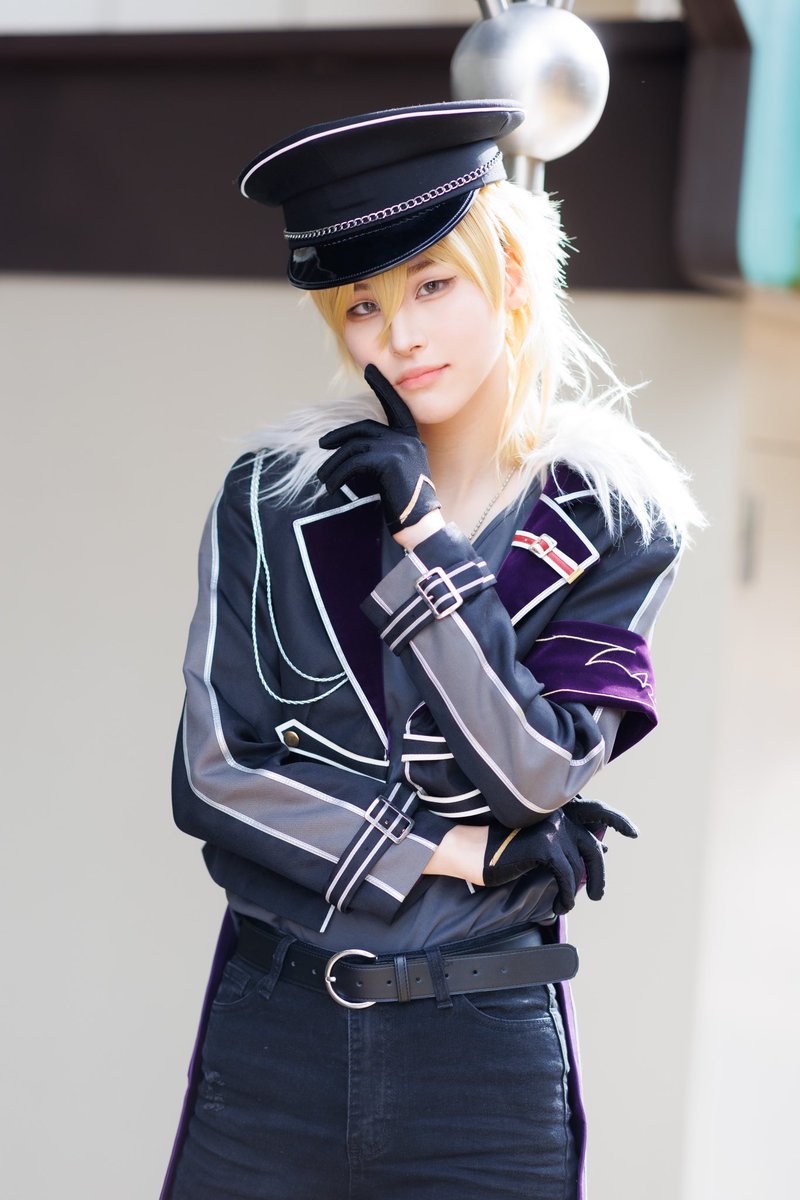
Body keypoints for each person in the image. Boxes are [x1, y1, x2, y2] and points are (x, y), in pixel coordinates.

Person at [162, 101, 702, 1200]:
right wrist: (455, 852)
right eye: (363, 305)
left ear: (512, 274)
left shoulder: (614, 517)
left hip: (480, 1059)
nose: (399, 335)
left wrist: (425, 541)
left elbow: (536, 771)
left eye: (432, 285)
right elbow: (215, 775)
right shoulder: (273, 498)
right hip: (273, 1036)